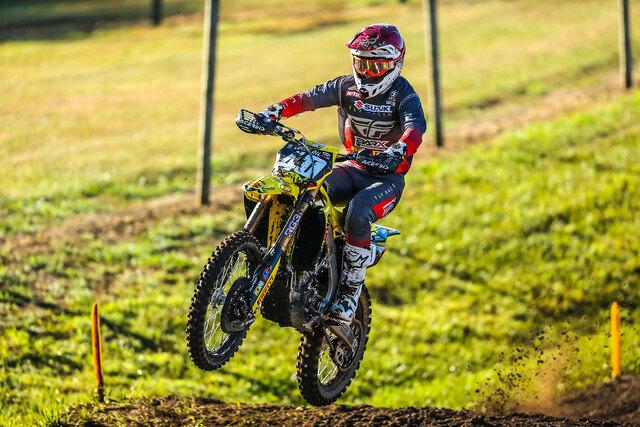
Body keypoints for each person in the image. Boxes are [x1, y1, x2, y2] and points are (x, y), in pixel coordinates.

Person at [259, 23, 427, 324]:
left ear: (395, 64)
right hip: (352, 166)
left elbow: (415, 128)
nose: (367, 72)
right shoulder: (344, 87)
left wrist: (400, 149)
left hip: (386, 179)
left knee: (358, 212)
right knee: (308, 190)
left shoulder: (403, 94)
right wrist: (274, 111)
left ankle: (350, 291)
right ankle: (301, 265)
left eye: (376, 66)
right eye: (361, 63)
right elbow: (308, 98)